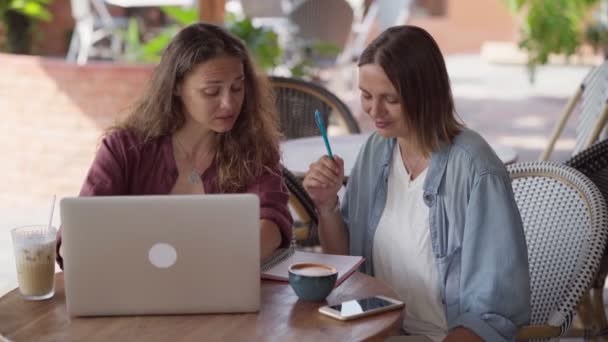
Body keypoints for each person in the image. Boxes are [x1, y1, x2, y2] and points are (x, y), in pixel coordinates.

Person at [303, 25, 530, 342]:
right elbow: (345, 262)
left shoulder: (476, 170)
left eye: (391, 99)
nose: (374, 111)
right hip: (375, 329)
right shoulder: (377, 149)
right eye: (366, 96)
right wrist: (327, 205)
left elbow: (493, 315)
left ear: (426, 94)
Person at [56, 23, 292, 268]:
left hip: (221, 291)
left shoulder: (253, 148)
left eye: (237, 88)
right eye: (211, 92)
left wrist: (212, 265)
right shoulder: (124, 148)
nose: (229, 103)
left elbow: (272, 221)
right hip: (134, 294)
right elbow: (79, 227)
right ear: (176, 87)